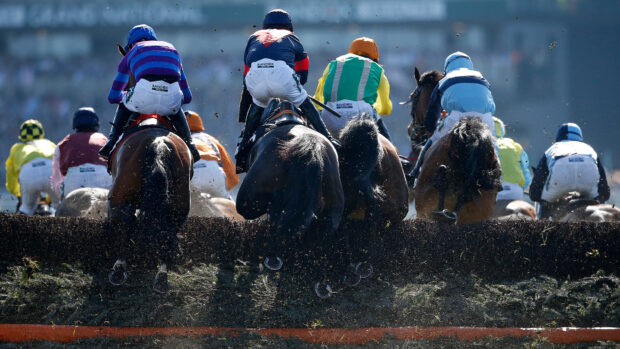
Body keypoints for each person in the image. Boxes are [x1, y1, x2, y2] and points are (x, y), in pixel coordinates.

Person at [235, 9, 339, 173]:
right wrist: (296, 88)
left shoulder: (253, 37)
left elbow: (246, 77)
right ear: (288, 26)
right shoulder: (291, 37)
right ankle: (329, 138)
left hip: (255, 76)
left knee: (257, 106)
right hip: (282, 75)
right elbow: (303, 70)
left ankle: (242, 149)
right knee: (305, 103)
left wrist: (244, 114)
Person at [98, 24, 200, 162]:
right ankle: (190, 145)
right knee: (177, 104)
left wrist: (125, 96)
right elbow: (187, 97)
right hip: (171, 101)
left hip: (142, 98)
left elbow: (113, 97)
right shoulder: (172, 49)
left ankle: (111, 143)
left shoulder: (133, 52)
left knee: (124, 100)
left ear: (132, 44)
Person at [408, 51, 496, 182]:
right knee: (494, 145)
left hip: (457, 117)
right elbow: (491, 105)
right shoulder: (482, 77)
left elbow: (433, 111)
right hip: (485, 118)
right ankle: (498, 176)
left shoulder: (445, 80)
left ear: (447, 67)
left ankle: (414, 173)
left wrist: (430, 129)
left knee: (432, 141)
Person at [313, 37, 393, 140]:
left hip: (330, 115)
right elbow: (386, 108)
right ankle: (394, 154)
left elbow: (317, 100)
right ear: (374, 57)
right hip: (362, 117)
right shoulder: (377, 69)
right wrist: (374, 107)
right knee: (389, 146)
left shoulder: (334, 64)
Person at [530, 123, 610, 217]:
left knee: (543, 203)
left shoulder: (552, 149)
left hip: (558, 186)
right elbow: (604, 187)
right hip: (588, 186)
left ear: (559, 137)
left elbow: (537, 184)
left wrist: (536, 196)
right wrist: (602, 197)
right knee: (600, 201)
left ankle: (543, 226)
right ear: (580, 137)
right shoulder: (589, 149)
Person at [51, 107, 111, 198]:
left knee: (68, 210)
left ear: (75, 123)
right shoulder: (103, 139)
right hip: (102, 179)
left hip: (74, 181)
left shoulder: (64, 141)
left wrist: (61, 198)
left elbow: (56, 176)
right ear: (96, 123)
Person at [5, 120, 59, 215]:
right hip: (50, 171)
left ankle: (13, 229)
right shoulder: (49, 144)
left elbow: (11, 175)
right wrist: (49, 199)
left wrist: (18, 193)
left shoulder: (17, 148)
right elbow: (61, 166)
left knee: (26, 210)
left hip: (29, 173)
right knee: (60, 208)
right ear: (41, 133)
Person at [185, 110, 239, 199]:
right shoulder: (210, 139)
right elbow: (232, 175)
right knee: (230, 207)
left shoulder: (177, 140)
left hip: (192, 177)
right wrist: (223, 190)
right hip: (215, 173)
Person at [493, 117, 531, 201]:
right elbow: (525, 171)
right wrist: (522, 186)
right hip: (515, 191)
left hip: (494, 192)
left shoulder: (482, 146)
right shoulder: (516, 145)